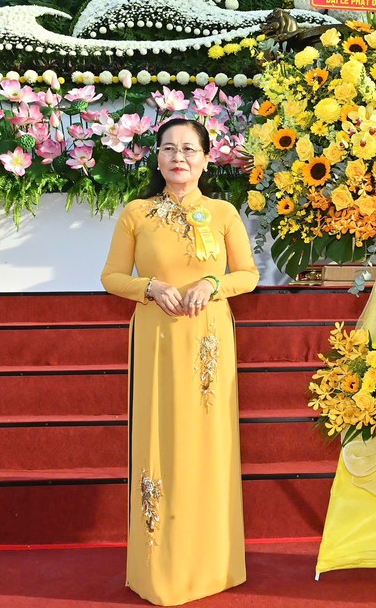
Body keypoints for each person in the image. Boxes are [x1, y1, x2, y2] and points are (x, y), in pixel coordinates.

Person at [101, 118, 259, 605]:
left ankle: (213, 564)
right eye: (169, 148)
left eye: (189, 149)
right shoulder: (136, 213)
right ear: (157, 158)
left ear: (206, 159)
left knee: (206, 444)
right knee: (160, 439)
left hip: (210, 340)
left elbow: (248, 276)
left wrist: (212, 285)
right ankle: (161, 566)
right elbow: (111, 277)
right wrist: (150, 287)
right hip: (156, 337)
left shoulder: (224, 212)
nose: (179, 157)